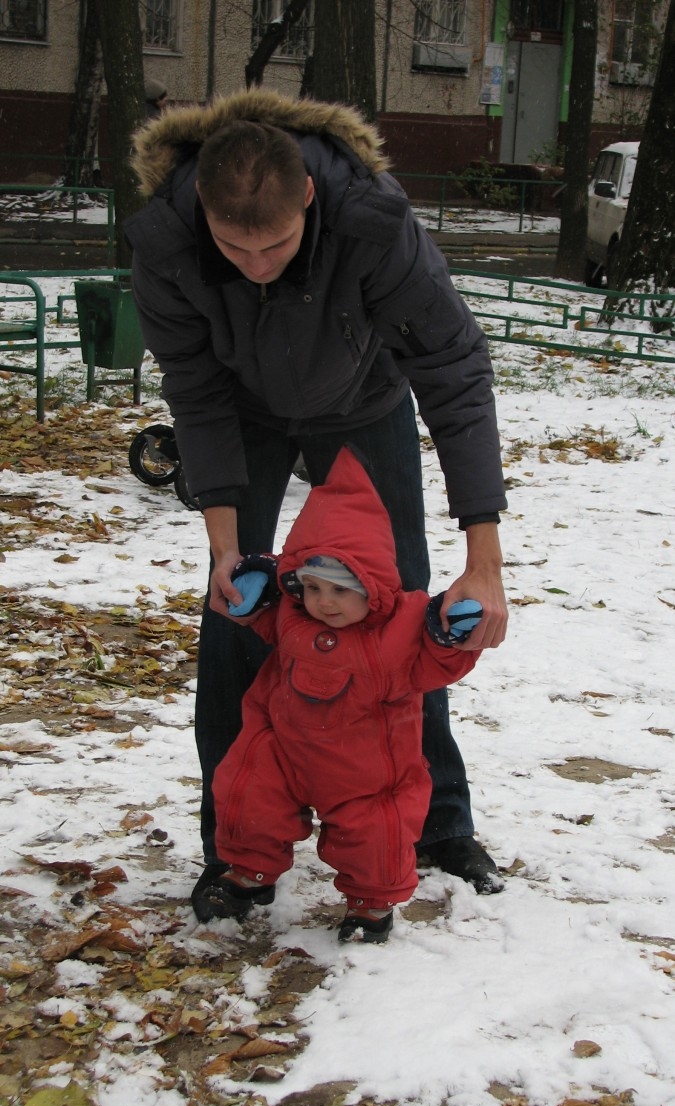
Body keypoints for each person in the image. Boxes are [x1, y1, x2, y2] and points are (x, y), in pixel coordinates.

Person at [125, 88, 508, 922]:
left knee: (401, 614)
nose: (254, 266)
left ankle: (435, 821)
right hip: (245, 415)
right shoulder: (166, 243)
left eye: (274, 247)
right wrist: (224, 547)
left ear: (307, 200)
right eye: (234, 248)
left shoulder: (372, 224)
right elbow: (194, 390)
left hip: (364, 403)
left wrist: (483, 558)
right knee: (236, 613)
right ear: (201, 209)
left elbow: (453, 373)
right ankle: (235, 846)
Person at [209, 447, 482, 943]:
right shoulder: (295, 614)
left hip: (365, 765)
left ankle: (370, 904)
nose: (323, 603)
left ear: (372, 584)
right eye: (311, 588)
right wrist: (253, 593)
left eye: (340, 590)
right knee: (249, 795)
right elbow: (267, 610)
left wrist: (452, 632)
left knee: (375, 830)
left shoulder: (402, 628)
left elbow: (437, 660)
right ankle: (249, 873)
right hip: (284, 746)